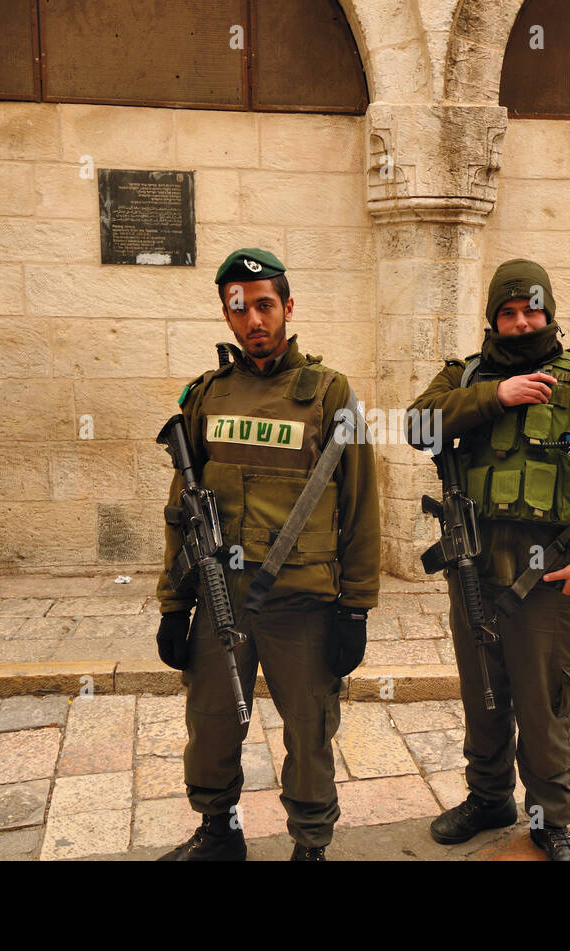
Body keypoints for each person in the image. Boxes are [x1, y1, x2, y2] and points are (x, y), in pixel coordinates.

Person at [407, 258, 570, 861]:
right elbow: (416, 424)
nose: (520, 321)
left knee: (544, 703)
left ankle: (549, 819)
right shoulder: (463, 379)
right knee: (483, 695)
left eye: (531, 309)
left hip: (549, 579)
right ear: (493, 319)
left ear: (549, 312)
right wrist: (495, 396)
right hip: (473, 571)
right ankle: (488, 799)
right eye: (507, 313)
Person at [154, 248, 380, 861]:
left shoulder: (330, 394)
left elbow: (360, 507)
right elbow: (184, 505)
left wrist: (355, 609)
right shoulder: (207, 395)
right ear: (226, 316)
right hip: (219, 597)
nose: (254, 320)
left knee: (308, 732)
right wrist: (174, 605)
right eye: (239, 308)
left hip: (302, 603)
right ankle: (219, 832)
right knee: (210, 723)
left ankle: (310, 845)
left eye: (264, 305)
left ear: (287, 307)